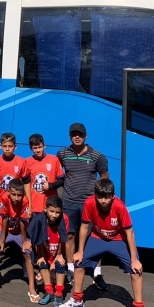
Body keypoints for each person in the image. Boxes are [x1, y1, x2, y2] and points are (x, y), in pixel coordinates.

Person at [59, 178, 151, 307]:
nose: (103, 200)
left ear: (112, 196)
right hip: (97, 237)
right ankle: (77, 301)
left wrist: (134, 259)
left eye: (106, 197)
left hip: (118, 239)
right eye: (100, 196)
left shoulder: (119, 207)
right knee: (79, 262)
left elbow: (130, 234)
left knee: (136, 269)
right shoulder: (89, 203)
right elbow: (83, 228)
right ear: (95, 195)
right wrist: (80, 251)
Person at [57, 122, 109, 288]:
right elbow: (57, 174)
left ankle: (97, 272)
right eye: (74, 134)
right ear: (70, 136)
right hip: (69, 202)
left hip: (89, 203)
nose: (77, 137)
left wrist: (98, 199)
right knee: (70, 236)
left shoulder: (96, 156)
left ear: (86, 136)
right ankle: (71, 268)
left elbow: (104, 178)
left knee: (93, 236)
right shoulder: (62, 154)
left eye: (80, 134)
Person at [0, 178, 36, 301]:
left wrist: (24, 241)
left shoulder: (25, 201)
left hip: (19, 231)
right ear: (8, 192)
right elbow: (5, 218)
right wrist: (2, 239)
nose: (16, 198)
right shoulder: (4, 198)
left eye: (19, 195)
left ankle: (32, 288)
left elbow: (23, 222)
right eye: (13, 194)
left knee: (27, 253)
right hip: (5, 229)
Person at [28, 195, 69, 307]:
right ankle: (49, 291)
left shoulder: (64, 219)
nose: (54, 215)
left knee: (59, 263)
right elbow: (38, 239)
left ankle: (59, 294)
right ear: (45, 209)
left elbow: (63, 238)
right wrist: (40, 255)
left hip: (56, 251)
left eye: (57, 212)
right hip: (45, 251)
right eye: (51, 211)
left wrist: (60, 255)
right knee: (42, 263)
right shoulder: (39, 220)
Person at [24, 133, 64, 215]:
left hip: (51, 207)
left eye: (40, 147)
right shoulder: (27, 162)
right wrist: (28, 206)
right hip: (34, 206)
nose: (38, 150)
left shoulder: (54, 160)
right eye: (35, 148)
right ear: (31, 148)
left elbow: (61, 179)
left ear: (44, 146)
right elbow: (26, 184)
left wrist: (51, 186)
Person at [0, 133, 30, 203]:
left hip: (15, 202)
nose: (7, 149)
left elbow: (26, 183)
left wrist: (29, 203)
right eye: (4, 146)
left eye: (10, 146)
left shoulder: (21, 162)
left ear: (15, 147)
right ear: (0, 146)